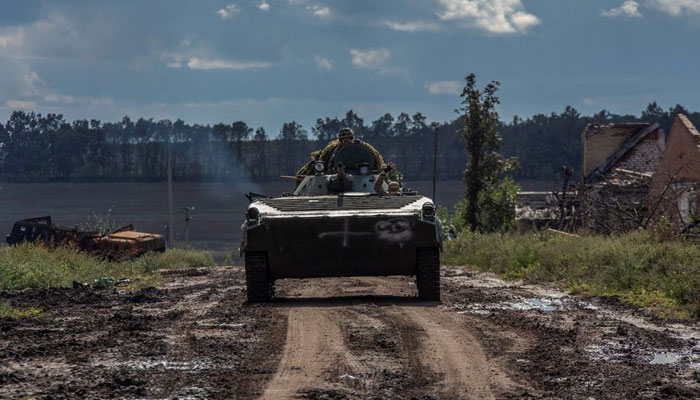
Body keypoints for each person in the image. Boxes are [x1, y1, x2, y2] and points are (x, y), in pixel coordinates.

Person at [295, 128, 384, 185]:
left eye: (348, 138)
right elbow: (323, 161)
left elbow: (376, 159)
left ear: (351, 138)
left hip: (362, 178)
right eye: (343, 139)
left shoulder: (362, 148)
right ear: (340, 140)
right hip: (332, 179)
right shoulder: (332, 150)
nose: (346, 141)